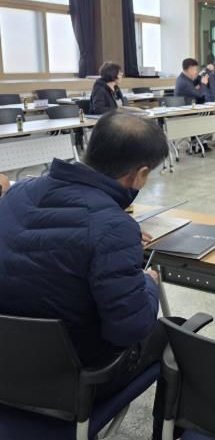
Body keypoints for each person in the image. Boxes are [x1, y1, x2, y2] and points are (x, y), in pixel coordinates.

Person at [0, 111, 169, 404]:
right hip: (74, 382)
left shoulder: (17, 194)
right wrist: (148, 284)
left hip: (7, 365)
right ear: (140, 174)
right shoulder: (114, 228)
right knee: (172, 331)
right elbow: (129, 329)